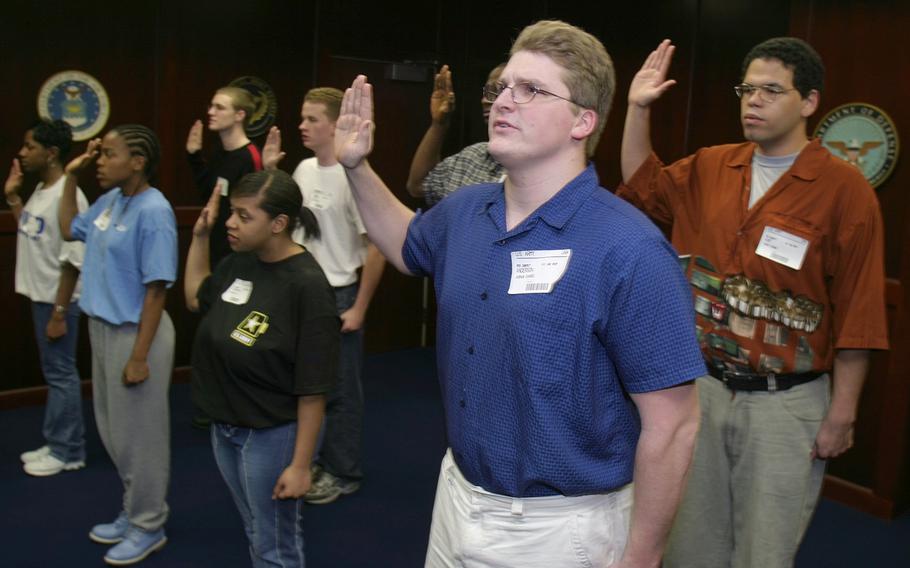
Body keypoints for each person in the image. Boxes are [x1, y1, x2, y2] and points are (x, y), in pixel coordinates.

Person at [334, 20, 706, 567]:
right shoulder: (466, 210)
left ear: (583, 121)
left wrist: (642, 557)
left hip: (561, 528)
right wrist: (356, 167)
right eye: (504, 87)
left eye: (531, 90)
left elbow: (674, 425)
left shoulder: (629, 249)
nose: (505, 101)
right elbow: (406, 245)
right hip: (457, 494)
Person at [617, 38, 889, 567]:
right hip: (703, 387)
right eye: (747, 90)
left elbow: (860, 311)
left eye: (771, 91)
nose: (753, 102)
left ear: (809, 102)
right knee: (690, 545)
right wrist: (637, 107)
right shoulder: (713, 166)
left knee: (764, 551)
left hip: (786, 404)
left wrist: (843, 413)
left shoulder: (845, 190)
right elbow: (643, 185)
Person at [185, 170, 340, 567]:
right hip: (226, 425)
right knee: (256, 527)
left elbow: (314, 388)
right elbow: (194, 298)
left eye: (243, 215)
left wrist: (302, 465)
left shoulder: (307, 287)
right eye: (231, 213)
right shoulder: (240, 262)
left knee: (275, 544)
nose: (230, 223)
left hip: (272, 433)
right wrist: (199, 238)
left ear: (278, 224)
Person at [59, 124, 177, 566]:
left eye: (108, 154)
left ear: (138, 161)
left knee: (141, 438)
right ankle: (133, 512)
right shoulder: (111, 201)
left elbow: (157, 289)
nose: (100, 162)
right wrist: (72, 177)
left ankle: (150, 525)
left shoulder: (155, 210)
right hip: (103, 329)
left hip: (137, 334)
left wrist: (140, 357)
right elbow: (70, 230)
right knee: (114, 433)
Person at [262, 87, 385, 505]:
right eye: (303, 117)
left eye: (311, 118)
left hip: (339, 296)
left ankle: (343, 471)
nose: (302, 125)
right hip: (305, 294)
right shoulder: (303, 169)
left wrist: (359, 307)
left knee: (341, 391)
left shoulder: (354, 176)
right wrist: (270, 172)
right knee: (309, 387)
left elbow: (377, 246)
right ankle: (312, 460)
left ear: (335, 125)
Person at [6, 119, 89, 477]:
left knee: (61, 374)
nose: (22, 154)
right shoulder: (42, 189)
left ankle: (68, 450)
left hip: (59, 300)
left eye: (30, 147)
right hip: (41, 296)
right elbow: (31, 229)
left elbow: (74, 261)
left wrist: (59, 311)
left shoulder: (69, 196)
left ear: (51, 153)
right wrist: (13, 198)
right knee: (55, 372)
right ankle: (57, 440)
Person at [406, 63, 506, 206]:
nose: (485, 101)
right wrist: (439, 125)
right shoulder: (472, 157)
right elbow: (418, 186)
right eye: (488, 91)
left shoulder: (539, 165)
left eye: (498, 92)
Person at [187, 86, 263, 265]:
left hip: (238, 255)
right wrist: (194, 156)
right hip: (214, 248)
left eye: (220, 108)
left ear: (239, 115)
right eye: (211, 106)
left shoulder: (250, 157)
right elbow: (209, 196)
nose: (211, 112)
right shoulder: (219, 152)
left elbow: (254, 212)